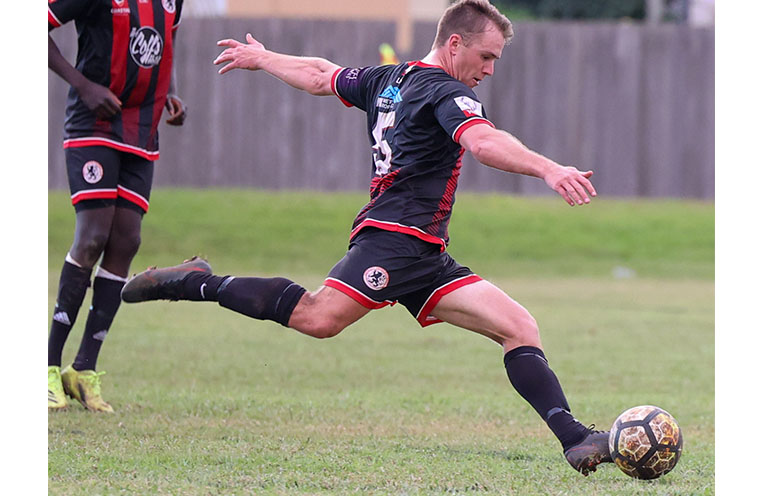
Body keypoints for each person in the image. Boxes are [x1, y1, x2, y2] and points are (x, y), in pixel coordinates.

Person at [122, 0, 611, 475]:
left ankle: (575, 440)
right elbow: (482, 142)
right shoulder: (446, 92)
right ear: (454, 44)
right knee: (318, 317)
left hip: (425, 254)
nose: (489, 69)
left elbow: (322, 75)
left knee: (519, 327)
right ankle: (195, 282)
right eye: (486, 56)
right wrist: (549, 169)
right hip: (392, 240)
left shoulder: (388, 79)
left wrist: (265, 58)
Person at [47, 0, 187, 413]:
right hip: (93, 125)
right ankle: (46, 366)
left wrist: (171, 93)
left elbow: (164, 42)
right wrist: (84, 87)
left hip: (141, 131)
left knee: (126, 241)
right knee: (92, 237)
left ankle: (83, 369)